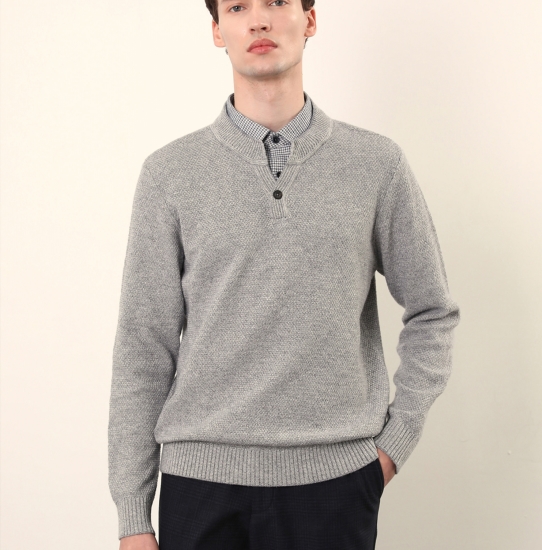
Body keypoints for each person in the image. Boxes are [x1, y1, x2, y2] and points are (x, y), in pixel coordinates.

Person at [108, 1, 461, 549]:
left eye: (276, 1)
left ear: (310, 19)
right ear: (217, 30)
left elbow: (432, 311)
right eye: (238, 6)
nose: (258, 20)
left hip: (337, 484)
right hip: (201, 486)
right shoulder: (170, 174)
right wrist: (133, 515)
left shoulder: (376, 165)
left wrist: (393, 445)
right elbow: (143, 346)